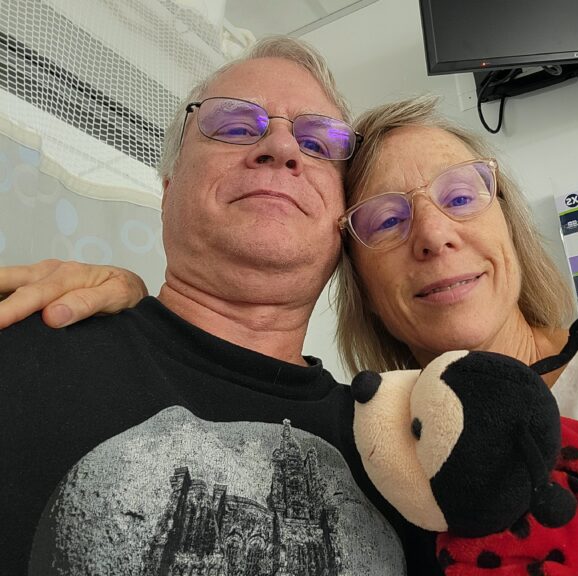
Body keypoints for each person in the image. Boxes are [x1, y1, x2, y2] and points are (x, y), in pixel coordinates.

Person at [7, 94, 578, 497]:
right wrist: (135, 306)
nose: (434, 236)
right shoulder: (379, 453)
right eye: (386, 219)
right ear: (359, 279)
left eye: (461, 197)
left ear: (507, 222)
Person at [0, 37, 438, 575]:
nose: (282, 148)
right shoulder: (20, 333)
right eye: (235, 127)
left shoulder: (406, 449)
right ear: (167, 190)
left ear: (344, 221)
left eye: (318, 143)